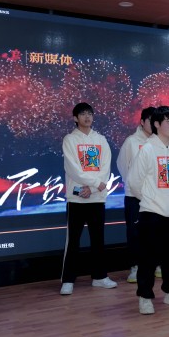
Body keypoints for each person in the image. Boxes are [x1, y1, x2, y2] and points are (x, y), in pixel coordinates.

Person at [128, 106, 169, 315]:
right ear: (156, 124)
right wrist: (150, 199)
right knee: (148, 259)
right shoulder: (147, 149)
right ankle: (145, 297)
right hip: (152, 213)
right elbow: (134, 182)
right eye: (168, 121)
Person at [60, 102, 118, 295]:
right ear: (75, 118)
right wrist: (92, 184)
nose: (87, 117)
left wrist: (92, 188)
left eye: (90, 114)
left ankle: (100, 277)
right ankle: (68, 280)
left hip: (97, 198)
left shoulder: (100, 139)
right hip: (76, 197)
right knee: (73, 241)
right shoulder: (70, 139)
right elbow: (72, 168)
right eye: (83, 114)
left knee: (98, 240)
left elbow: (105, 167)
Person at [116, 106, 156, 283]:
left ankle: (155, 264)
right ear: (142, 122)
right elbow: (123, 166)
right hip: (134, 196)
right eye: (150, 121)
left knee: (154, 232)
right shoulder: (131, 142)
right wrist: (135, 186)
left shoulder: (160, 142)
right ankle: (135, 266)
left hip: (155, 197)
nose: (154, 124)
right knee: (135, 233)